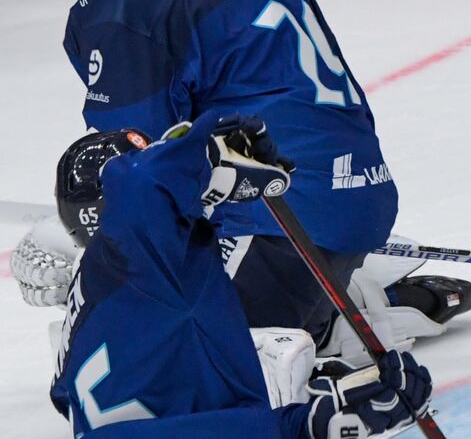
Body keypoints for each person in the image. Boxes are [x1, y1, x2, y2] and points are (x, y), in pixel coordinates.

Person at [18, 0, 470, 356]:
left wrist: (75, 239)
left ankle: (334, 317)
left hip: (279, 222)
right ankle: (327, 299)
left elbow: (132, 163)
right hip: (360, 198)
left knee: (138, 355)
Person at [48, 112, 433, 437]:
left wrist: (311, 413)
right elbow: (143, 183)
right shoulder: (139, 249)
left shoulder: (100, 298)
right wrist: (206, 149)